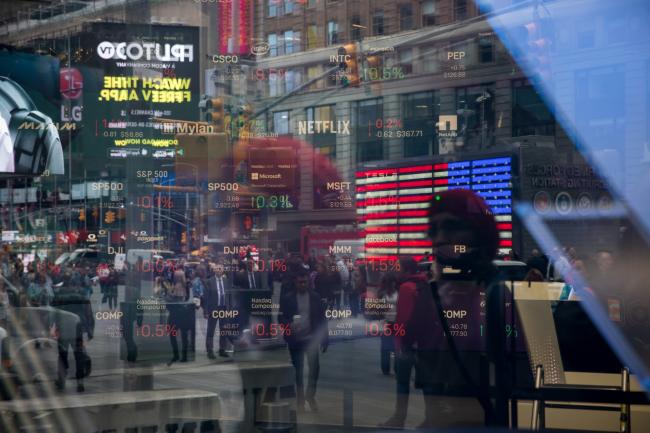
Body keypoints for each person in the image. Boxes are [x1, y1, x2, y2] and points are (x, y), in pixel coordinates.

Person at [380, 258, 430, 428]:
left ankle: (398, 418)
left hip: (408, 344)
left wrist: (399, 342)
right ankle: (430, 418)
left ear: (407, 270)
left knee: (402, 383)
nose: (396, 271)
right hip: (424, 343)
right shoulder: (424, 284)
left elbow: (403, 318)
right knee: (426, 384)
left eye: (399, 268)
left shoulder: (406, 288)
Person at [280, 269, 328, 412]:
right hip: (296, 340)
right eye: (300, 282)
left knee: (314, 369)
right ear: (295, 282)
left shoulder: (315, 297)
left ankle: (310, 395)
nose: (302, 284)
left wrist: (325, 339)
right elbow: (281, 318)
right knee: (298, 371)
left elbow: (322, 320)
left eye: (304, 282)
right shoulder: (288, 298)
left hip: (311, 339)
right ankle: (300, 399)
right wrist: (289, 325)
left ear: (308, 282)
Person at [203, 263, 232, 359]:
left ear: (223, 270)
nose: (219, 270)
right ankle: (210, 350)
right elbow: (206, 298)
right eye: (217, 269)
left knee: (223, 330)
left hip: (224, 308)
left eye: (220, 269)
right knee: (210, 330)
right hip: (213, 309)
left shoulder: (226, 281)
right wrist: (206, 312)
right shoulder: (209, 281)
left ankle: (222, 349)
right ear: (214, 270)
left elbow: (229, 296)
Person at [378, 272, 399, 375]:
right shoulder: (398, 293)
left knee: (386, 346)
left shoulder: (382, 293)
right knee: (395, 346)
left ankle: (386, 368)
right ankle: (394, 368)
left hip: (388, 322)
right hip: (394, 321)